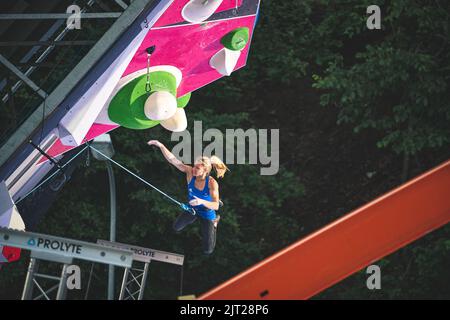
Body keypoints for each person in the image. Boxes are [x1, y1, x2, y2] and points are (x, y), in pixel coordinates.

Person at [147, 140, 228, 255]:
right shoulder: (190, 172)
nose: (194, 169)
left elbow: (215, 206)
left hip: (207, 212)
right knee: (176, 227)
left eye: (197, 168)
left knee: (208, 250)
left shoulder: (211, 183)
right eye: (194, 166)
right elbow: (173, 160)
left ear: (205, 171)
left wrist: (201, 201)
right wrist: (160, 145)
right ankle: (206, 205)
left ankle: (215, 223)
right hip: (193, 209)